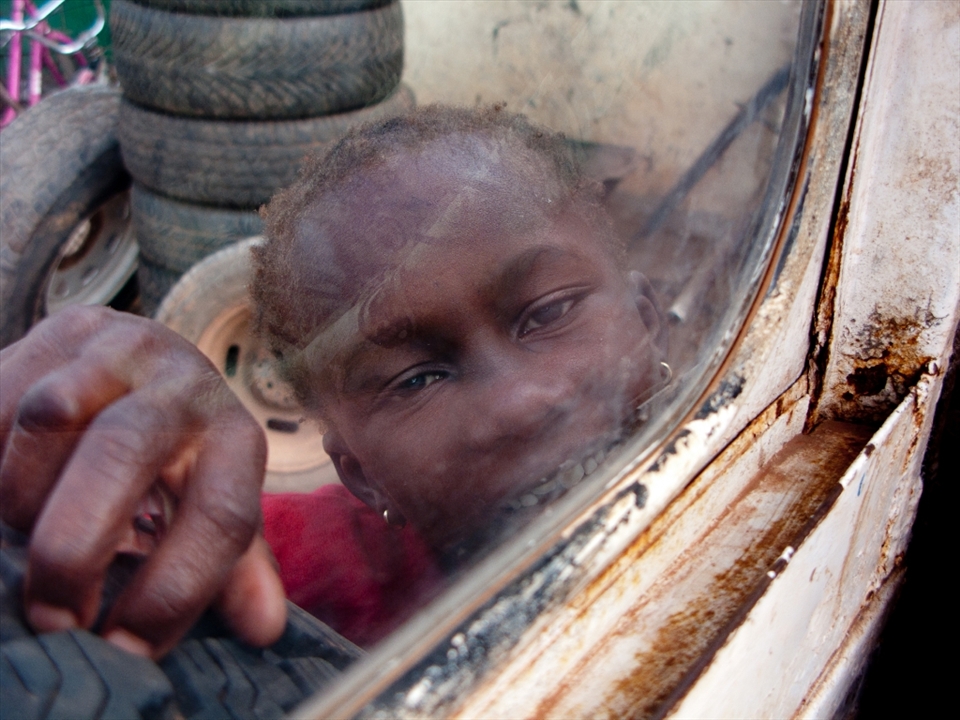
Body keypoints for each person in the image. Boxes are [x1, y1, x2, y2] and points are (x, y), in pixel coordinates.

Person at [0, 104, 667, 658]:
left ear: (648, 321)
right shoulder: (311, 572)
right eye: (416, 380)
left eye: (548, 313)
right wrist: (127, 452)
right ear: (361, 475)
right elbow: (191, 530)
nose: (521, 403)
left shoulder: (761, 420)